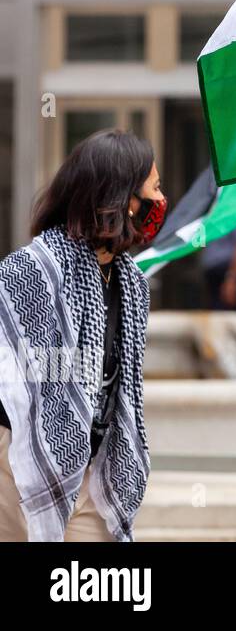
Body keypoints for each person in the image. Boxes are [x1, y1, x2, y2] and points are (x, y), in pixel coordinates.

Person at [0, 129, 166, 541]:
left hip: (92, 467)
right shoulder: (31, 270)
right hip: (18, 462)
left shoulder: (132, 285)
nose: (161, 201)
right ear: (126, 200)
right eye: (155, 188)